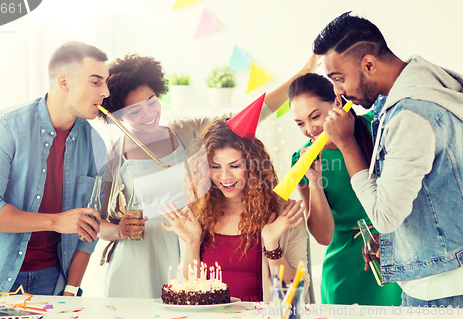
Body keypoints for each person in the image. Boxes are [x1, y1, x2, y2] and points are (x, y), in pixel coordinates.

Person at [98, 53, 319, 299]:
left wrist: (302, 74)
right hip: (141, 259)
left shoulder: (188, 130)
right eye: (135, 110)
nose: (148, 113)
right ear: (118, 114)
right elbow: (97, 224)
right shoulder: (115, 154)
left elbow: (249, 118)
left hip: (190, 246)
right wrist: (120, 230)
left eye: (152, 101)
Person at [313, 12, 463, 307]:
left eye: (339, 78)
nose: (338, 92)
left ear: (369, 64)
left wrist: (347, 144)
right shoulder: (431, 84)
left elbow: (383, 216)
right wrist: (399, 241)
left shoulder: (411, 115)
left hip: (440, 291)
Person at [0, 41, 109, 303]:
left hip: (54, 280)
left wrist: (71, 289)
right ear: (64, 82)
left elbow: (89, 227)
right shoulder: (3, 127)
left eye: (105, 82)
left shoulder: (94, 143)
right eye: (96, 82)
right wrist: (56, 221)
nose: (106, 92)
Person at [160, 119, 309, 302]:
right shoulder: (195, 215)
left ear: (253, 166)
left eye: (235, 166)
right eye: (215, 167)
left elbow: (296, 290)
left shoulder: (283, 213)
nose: (225, 177)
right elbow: (192, 289)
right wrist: (192, 243)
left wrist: (272, 245)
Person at [288, 73, 402, 305]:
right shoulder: (301, 161)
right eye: (300, 123)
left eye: (315, 116)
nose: (309, 129)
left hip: (394, 250)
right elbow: (323, 236)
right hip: (343, 267)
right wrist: (314, 181)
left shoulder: (377, 126)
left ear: (338, 103)